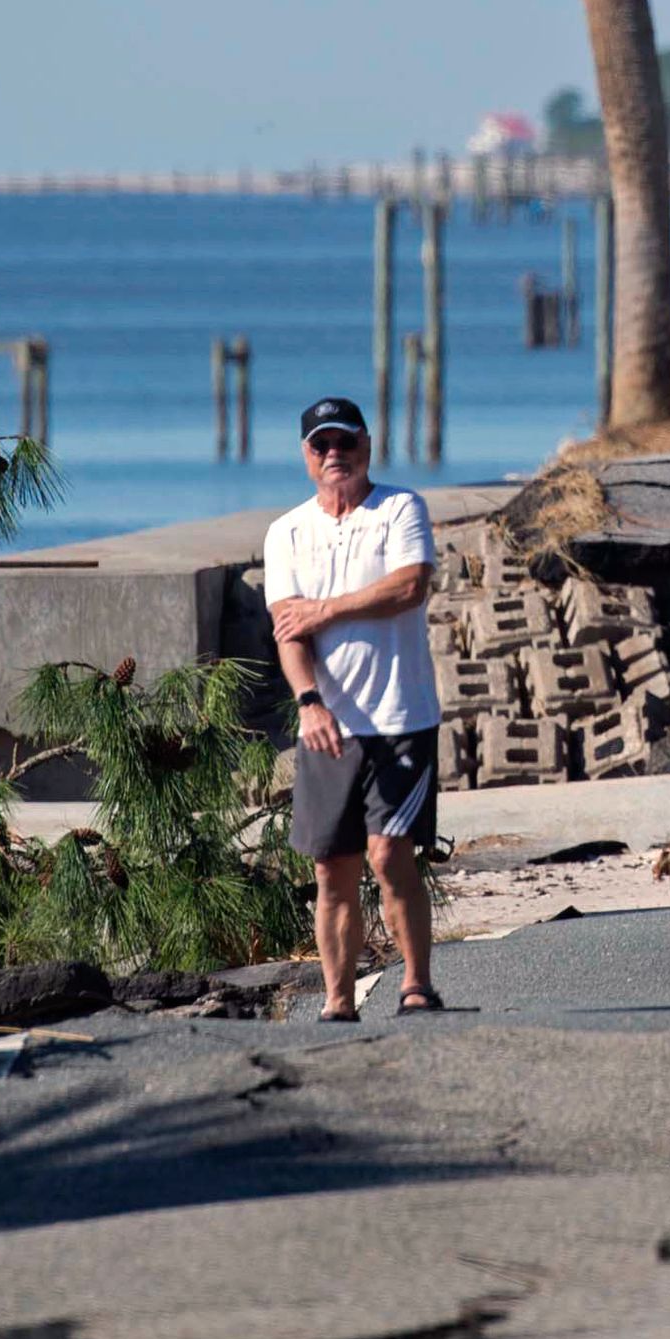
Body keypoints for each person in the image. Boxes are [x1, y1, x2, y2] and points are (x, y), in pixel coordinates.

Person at [264, 396, 442, 1023]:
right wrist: (308, 702)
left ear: (368, 445)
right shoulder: (285, 531)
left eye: (346, 442)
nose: (335, 454)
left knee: (390, 854)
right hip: (328, 725)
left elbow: (409, 586)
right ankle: (339, 1005)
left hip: (401, 717)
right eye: (321, 445)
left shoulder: (399, 508)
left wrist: (327, 608)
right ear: (306, 457)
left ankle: (416, 984)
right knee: (331, 870)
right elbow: (290, 631)